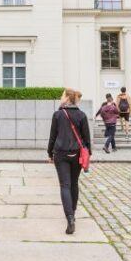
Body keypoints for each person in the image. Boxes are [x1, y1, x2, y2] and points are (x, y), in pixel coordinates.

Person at [48, 88, 92, 234]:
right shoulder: (81, 115)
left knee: (65, 185)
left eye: (62, 95)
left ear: (67, 98)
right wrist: (88, 155)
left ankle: (70, 218)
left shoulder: (58, 115)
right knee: (74, 183)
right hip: (77, 154)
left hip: (61, 154)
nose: (61, 97)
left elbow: (52, 137)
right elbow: (86, 138)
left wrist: (49, 153)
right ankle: (72, 212)